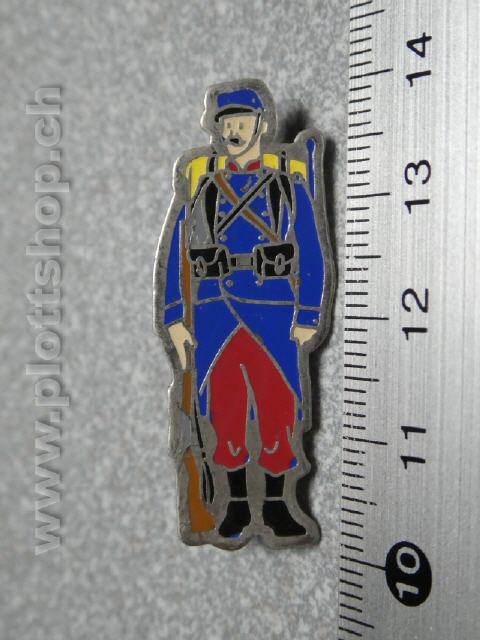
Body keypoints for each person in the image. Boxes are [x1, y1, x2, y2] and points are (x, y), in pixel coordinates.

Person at [155, 79, 333, 545]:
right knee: (225, 411)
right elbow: (178, 253)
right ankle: (233, 505)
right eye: (227, 124)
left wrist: (309, 314)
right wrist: (175, 318)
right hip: (215, 316)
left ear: (260, 125)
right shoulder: (203, 190)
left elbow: (311, 251)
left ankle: (276, 505)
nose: (233, 131)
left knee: (278, 409)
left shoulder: (286, 187)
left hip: (272, 312)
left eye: (241, 122)